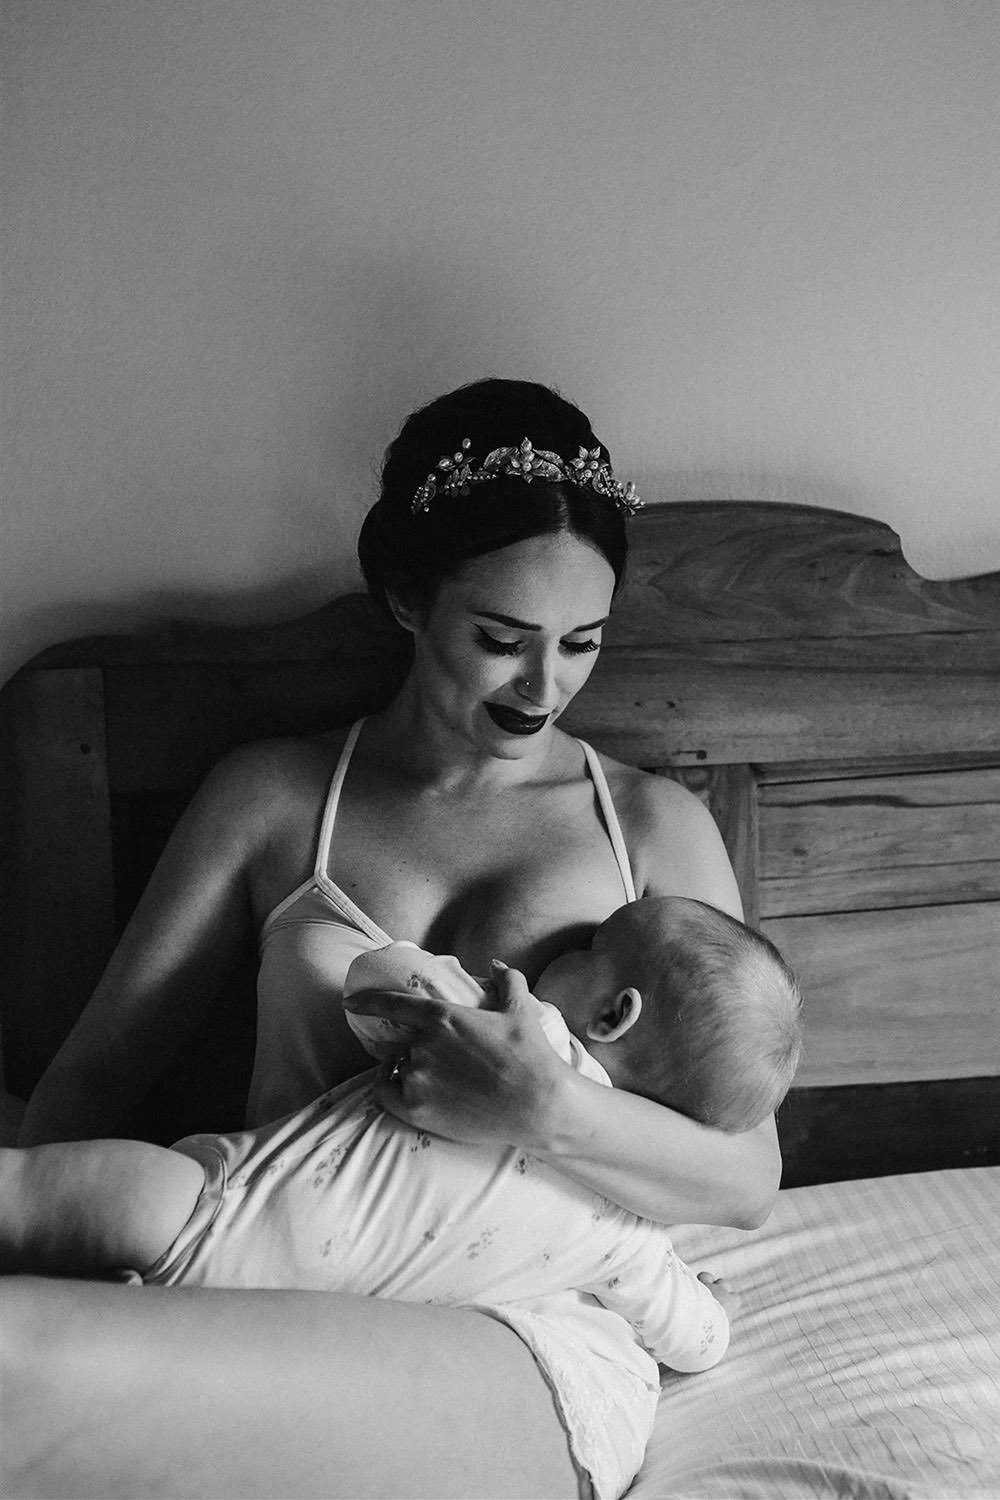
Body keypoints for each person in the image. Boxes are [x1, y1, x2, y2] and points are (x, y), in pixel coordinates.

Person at [8, 379, 783, 1500]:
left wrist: (547, 1107)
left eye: (582, 643)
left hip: (520, 1333)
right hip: (266, 1271)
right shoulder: (271, 799)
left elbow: (749, 1178)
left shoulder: (654, 828)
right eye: (502, 640)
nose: (544, 686)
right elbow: (97, 1076)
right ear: (407, 599)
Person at [2, 900, 801, 1371]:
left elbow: (375, 983)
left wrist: (462, 989)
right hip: (302, 1337)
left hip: (218, 1214)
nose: (567, 948)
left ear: (614, 1014)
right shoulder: (634, 1239)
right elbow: (695, 1341)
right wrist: (714, 1310)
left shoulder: (522, 1036)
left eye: (589, 949)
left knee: (30, 1193)